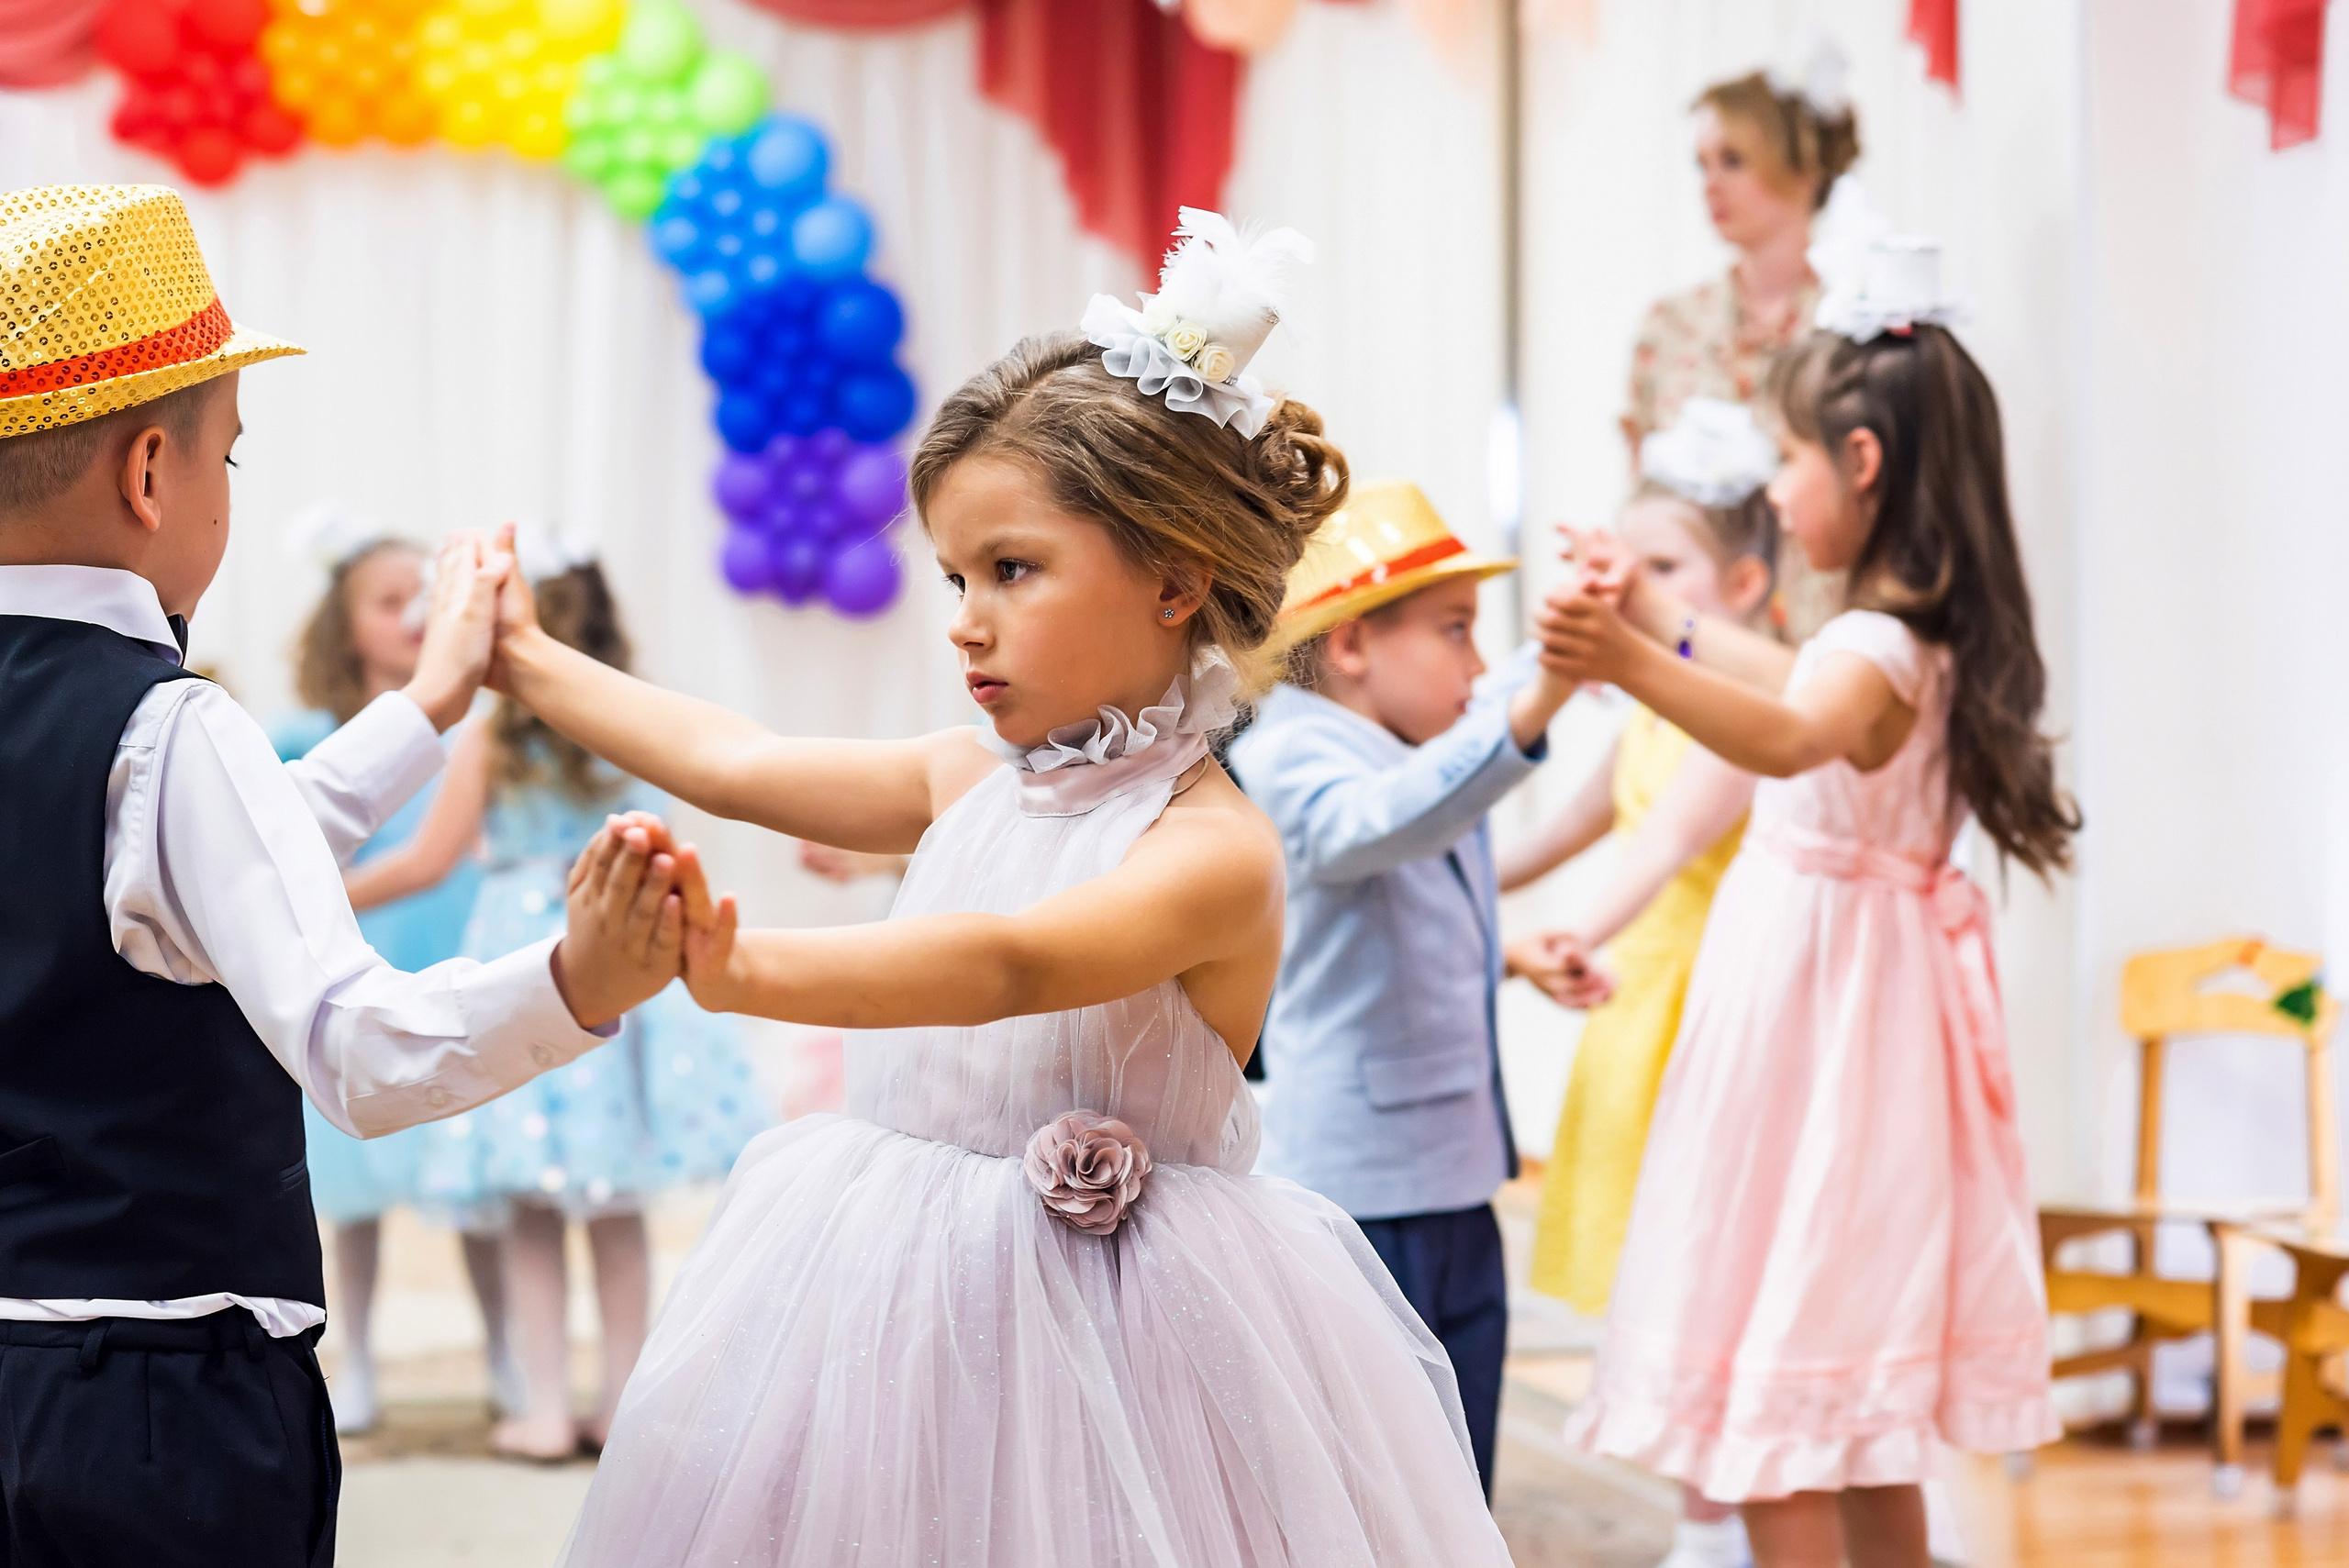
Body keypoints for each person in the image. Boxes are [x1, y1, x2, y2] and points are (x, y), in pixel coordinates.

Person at [477, 210, 1515, 1563]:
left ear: (1172, 578)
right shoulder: (969, 777)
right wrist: (527, 661)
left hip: (1126, 1327)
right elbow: (737, 760)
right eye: (957, 575)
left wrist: (741, 970)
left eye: (1012, 571)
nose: (965, 617)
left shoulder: (1211, 849)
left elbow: (1010, 963)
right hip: (893, 1280)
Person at [0, 183, 684, 1567]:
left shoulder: (130, 743)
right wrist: (574, 982)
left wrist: (428, 704)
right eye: (228, 458)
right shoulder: (168, 725)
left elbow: (184, 870)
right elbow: (354, 1050)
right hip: (159, 1398)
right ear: (150, 474)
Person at [1542, 241, 2075, 1568]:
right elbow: (1788, 673)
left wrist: (1623, 653)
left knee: (1778, 1390)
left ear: (1862, 461)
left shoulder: (1876, 649)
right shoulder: (1909, 637)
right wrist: (1658, 616)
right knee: (1853, 1402)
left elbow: (1788, 734)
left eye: (1787, 461)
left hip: (1822, 1033)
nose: (1774, 496)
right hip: (1862, 1014)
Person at [350, 539, 769, 1462]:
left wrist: (324, 894)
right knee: (614, 1208)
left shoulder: (494, 730)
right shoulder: (639, 721)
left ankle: (546, 1406)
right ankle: (620, 1401)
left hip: (531, 961)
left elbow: (426, 859)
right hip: (611, 943)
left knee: (532, 1211)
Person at [1225, 477, 1580, 1499]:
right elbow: (1379, 826)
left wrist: (1507, 952)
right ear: (1349, 646)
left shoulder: (1408, 740)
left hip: (1455, 1169)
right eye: (1456, 632)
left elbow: (1401, 895)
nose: (1475, 665)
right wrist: (1532, 700)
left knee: (1461, 1446)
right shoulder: (1293, 749)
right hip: (1367, 1186)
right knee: (1379, 1466)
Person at [1500, 399, 1778, 1567]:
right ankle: (1704, 1516)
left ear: (1750, 585)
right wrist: (1454, 879)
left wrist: (1562, 942)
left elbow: (1658, 849)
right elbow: (1564, 829)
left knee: (1714, 1278)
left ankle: (1721, 1525)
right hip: (1639, 1014)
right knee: (1658, 1287)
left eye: (1663, 566)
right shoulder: (1647, 708)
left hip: (1707, 1020)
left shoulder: (1745, 712)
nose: (1636, 586)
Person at [271, 524, 517, 1434]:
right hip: (356, 976)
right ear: (344, 624)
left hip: (456, 959)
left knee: (475, 1188)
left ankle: (505, 1348)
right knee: (355, 1195)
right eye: (388, 600)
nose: (412, 613)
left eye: (424, 595)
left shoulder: (472, 735)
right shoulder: (301, 737)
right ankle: (358, 1354)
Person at [1625, 41, 1860, 640]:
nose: (1711, 184)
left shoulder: (1855, 322)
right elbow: (1643, 496)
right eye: (1701, 164)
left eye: (1733, 159)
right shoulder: (1671, 324)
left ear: (1802, 166)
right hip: (1700, 641)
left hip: (1826, 630)